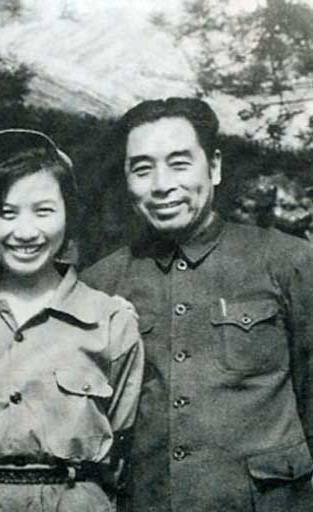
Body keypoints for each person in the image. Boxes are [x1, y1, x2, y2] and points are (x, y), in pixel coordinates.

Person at [81, 97, 313, 512]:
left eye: (179, 163)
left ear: (214, 167)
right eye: (142, 169)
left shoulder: (289, 263)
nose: (161, 185)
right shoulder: (99, 285)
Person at [0, 129, 143, 512]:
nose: (25, 232)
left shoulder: (111, 321)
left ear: (68, 213)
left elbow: (122, 446)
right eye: (6, 213)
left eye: (43, 211)